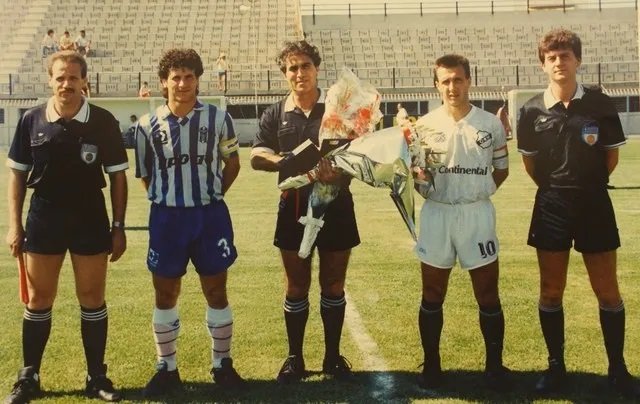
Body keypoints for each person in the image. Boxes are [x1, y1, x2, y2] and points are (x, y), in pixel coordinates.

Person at [517, 29, 639, 399]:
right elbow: (531, 166)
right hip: (551, 206)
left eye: (565, 55)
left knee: (607, 289)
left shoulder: (600, 104)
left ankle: (617, 368)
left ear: (578, 60)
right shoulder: (531, 110)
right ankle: (556, 367)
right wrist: (557, 188)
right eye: (552, 57)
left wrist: (587, 184)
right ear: (543, 64)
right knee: (551, 290)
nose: (559, 62)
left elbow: (610, 158)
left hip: (594, 203)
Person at [4, 50, 128, 404]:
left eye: (74, 77)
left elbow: (118, 177)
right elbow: (17, 175)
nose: (66, 84)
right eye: (60, 77)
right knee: (39, 299)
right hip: (44, 218)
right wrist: (14, 225)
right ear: (50, 80)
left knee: (92, 298)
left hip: (90, 217)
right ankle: (29, 376)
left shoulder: (102, 121)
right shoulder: (31, 119)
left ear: (84, 80)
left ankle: (97, 376)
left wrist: (118, 226)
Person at [134, 48, 244, 397]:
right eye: (176, 78)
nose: (182, 84)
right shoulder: (146, 125)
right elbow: (145, 174)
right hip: (167, 219)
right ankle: (166, 368)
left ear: (198, 80)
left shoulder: (218, 118)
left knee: (216, 290)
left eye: (189, 77)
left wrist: (210, 194)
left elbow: (233, 164)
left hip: (209, 216)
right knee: (165, 293)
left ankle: (222, 364)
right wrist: (171, 199)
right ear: (163, 83)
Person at [250, 40, 359, 384]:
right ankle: (295, 358)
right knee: (296, 285)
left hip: (337, 204)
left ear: (317, 69)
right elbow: (256, 155)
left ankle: (332, 357)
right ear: (285, 74)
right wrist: (282, 161)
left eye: (305, 66)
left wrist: (339, 171)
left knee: (333, 283)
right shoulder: (275, 113)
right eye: (292, 68)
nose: (300, 73)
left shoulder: (337, 108)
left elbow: (358, 154)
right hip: (293, 206)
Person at [414, 54, 510, 391]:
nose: (452, 87)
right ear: (436, 85)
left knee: (487, 291)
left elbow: (501, 170)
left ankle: (494, 366)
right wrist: (419, 180)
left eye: (458, 79)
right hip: (437, 214)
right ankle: (432, 365)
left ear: (469, 81)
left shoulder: (490, 124)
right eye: (445, 81)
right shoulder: (423, 126)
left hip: (476, 213)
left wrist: (476, 192)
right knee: (432, 291)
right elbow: (418, 177)